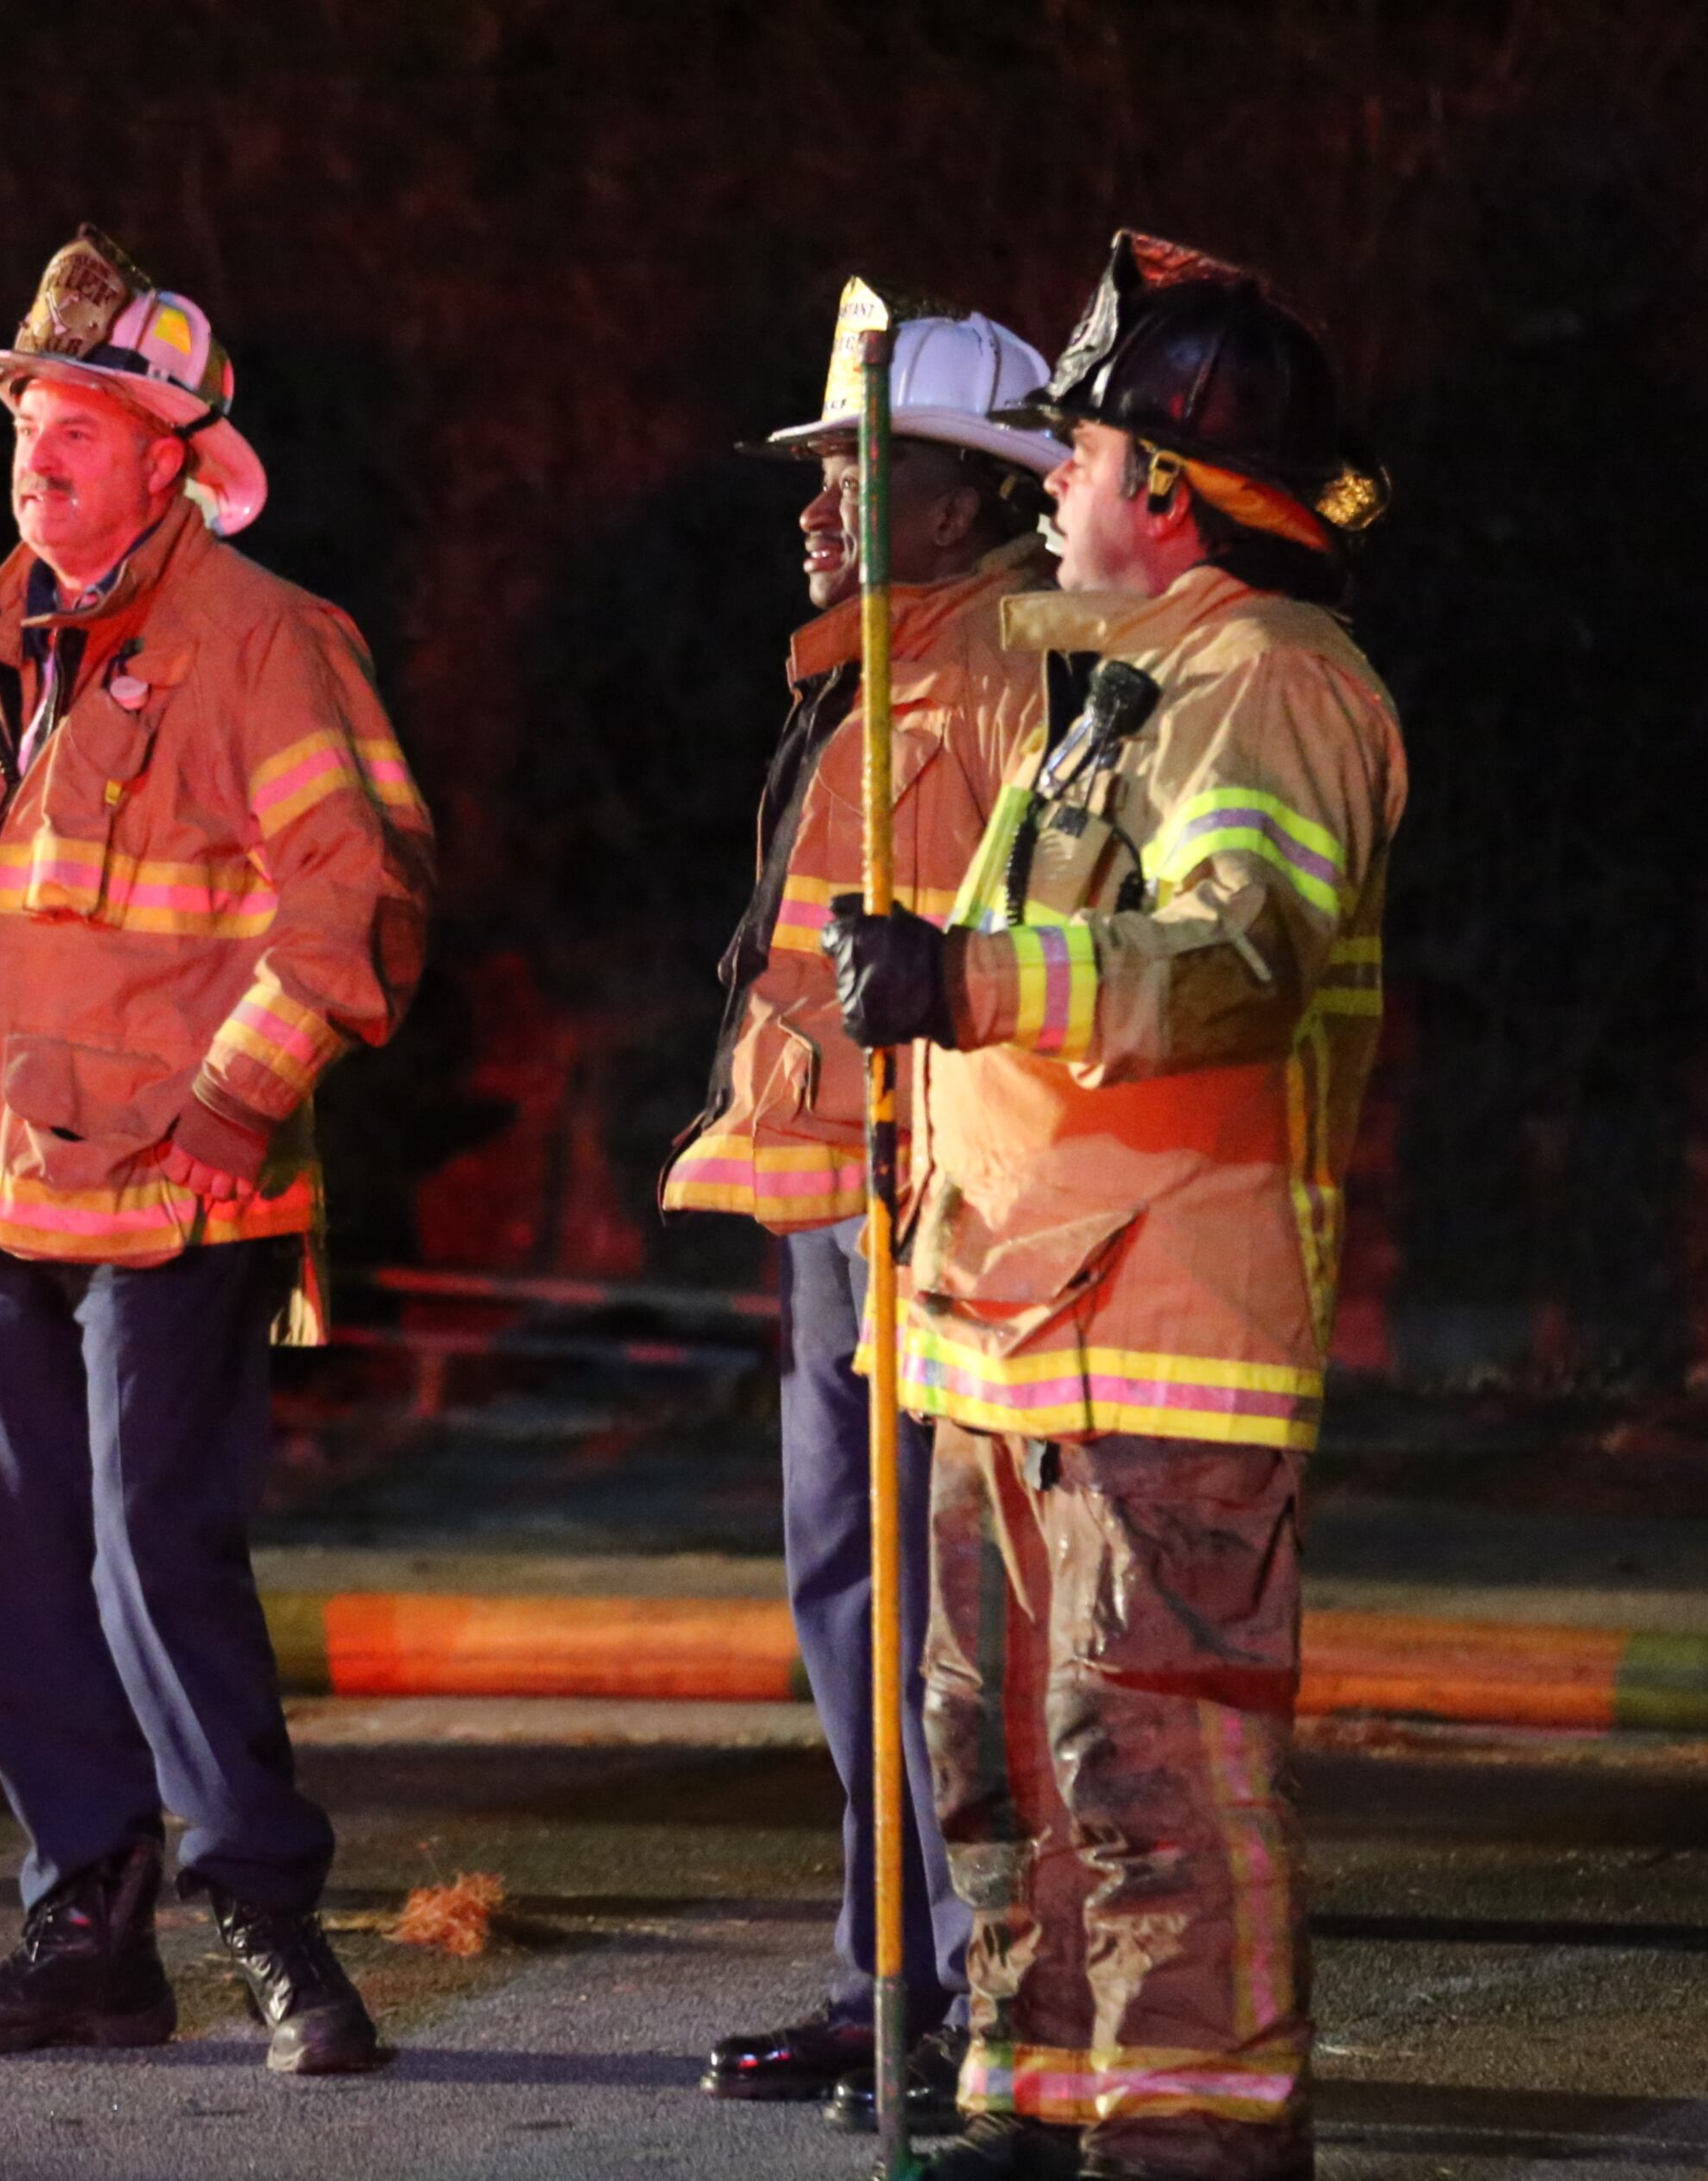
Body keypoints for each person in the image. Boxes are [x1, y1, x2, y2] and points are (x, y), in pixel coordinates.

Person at [0, 228, 433, 2075]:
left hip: (171, 1190)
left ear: (172, 454)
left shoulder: (266, 641)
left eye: (77, 428)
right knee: (30, 1583)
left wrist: (239, 1092)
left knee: (155, 1555)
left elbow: (357, 895)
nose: (37, 460)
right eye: (26, 430)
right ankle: (88, 1928)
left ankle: (278, 1931)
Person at [824, 231, 1400, 2180]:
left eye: (1069, 454)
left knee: (1151, 1766)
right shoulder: (1115, 693)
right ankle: (1037, 2094)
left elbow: (1234, 960)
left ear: (1163, 483)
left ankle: (1191, 2144)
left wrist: (964, 983)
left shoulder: (1275, 685)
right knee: (1004, 1767)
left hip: (1167, 1336)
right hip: (1016, 1323)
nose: (1047, 484)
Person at [660, 284, 1059, 2131]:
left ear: (971, 492)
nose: (815, 498)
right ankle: (884, 1973)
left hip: (944, 1207)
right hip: (845, 1206)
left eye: (856, 464)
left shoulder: (1014, 670)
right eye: (818, 464)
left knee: (946, 1616)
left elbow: (1024, 963)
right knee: (854, 1602)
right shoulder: (879, 661)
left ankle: (977, 1994)